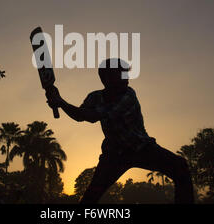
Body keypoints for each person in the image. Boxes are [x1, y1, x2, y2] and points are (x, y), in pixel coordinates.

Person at [46, 58, 194, 204]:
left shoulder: (128, 95)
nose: (127, 78)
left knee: (180, 167)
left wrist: (61, 102)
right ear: (107, 79)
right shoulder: (95, 97)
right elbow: (79, 115)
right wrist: (59, 101)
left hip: (141, 148)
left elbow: (92, 116)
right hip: (114, 154)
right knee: (90, 197)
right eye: (122, 74)